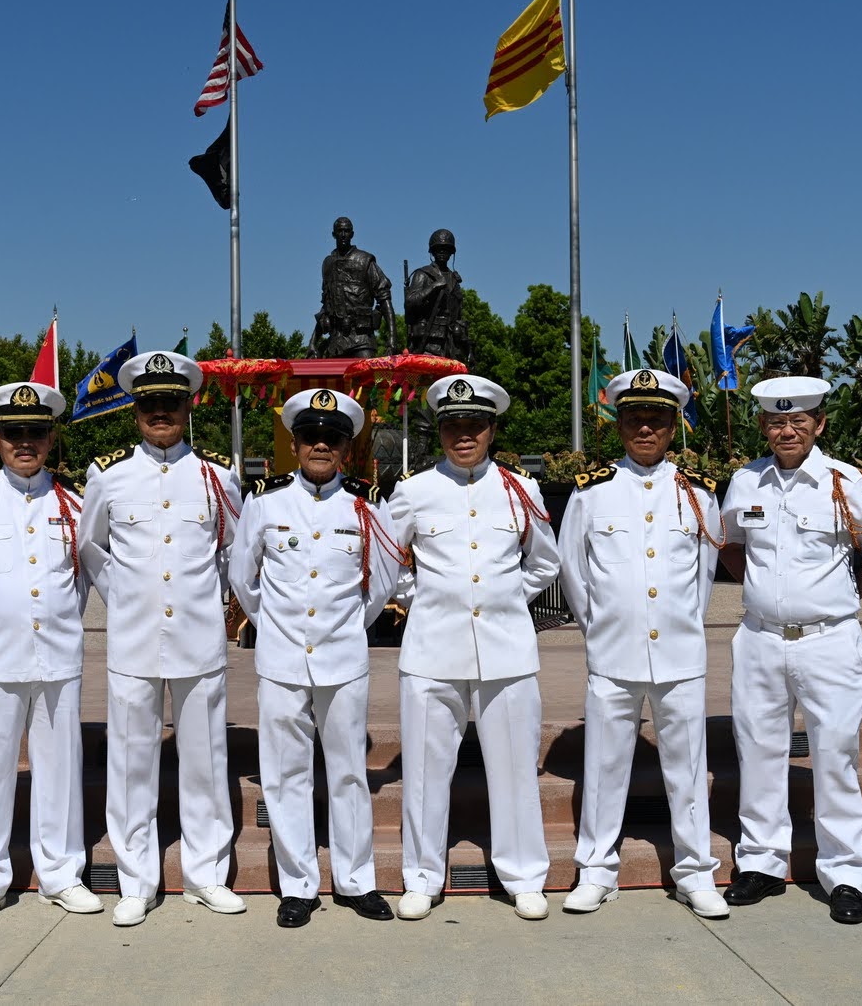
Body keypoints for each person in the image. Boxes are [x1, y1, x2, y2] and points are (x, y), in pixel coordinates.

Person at [718, 376, 862, 925]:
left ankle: (846, 873)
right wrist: (765, 595)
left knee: (835, 753)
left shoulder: (845, 482)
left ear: (819, 424)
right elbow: (731, 547)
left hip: (830, 640)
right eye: (776, 422)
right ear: (762, 426)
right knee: (758, 751)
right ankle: (761, 863)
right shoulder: (745, 481)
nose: (787, 431)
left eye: (798, 421)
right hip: (760, 639)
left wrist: (845, 597)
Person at [78, 351, 246, 928]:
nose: (160, 412)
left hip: (199, 640)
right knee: (130, 764)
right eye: (149, 402)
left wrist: (207, 601)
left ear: (187, 406)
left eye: (170, 402)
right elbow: (92, 547)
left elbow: (233, 551)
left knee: (206, 762)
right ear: (135, 409)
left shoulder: (218, 476)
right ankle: (136, 881)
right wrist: (125, 596)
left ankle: (206, 875)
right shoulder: (108, 476)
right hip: (134, 640)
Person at [556, 369, 728, 920]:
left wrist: (679, 624)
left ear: (674, 426)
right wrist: (600, 628)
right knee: (603, 768)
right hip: (613, 652)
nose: (645, 428)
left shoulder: (699, 492)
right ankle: (596, 871)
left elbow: (703, 577)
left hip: (679, 653)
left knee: (687, 768)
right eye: (634, 418)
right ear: (620, 425)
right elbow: (573, 571)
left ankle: (695, 872)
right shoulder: (592, 492)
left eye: (656, 419)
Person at [387, 374, 559, 921]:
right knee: (423, 771)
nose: (464, 435)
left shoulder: (521, 489)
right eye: (453, 426)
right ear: (440, 431)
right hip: (431, 650)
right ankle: (421, 876)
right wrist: (422, 598)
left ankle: (524, 876)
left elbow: (545, 562)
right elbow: (389, 562)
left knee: (515, 769)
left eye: (475, 425)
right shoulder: (414, 491)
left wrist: (506, 597)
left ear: (491, 429)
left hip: (506, 650)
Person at [230, 388, 402, 928]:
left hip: (343, 658)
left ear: (347, 448)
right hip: (281, 661)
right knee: (285, 776)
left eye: (332, 438)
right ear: (295, 444)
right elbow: (243, 576)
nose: (321, 445)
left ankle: (356, 880)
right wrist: (275, 628)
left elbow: (384, 580)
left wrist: (347, 625)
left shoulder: (367, 503)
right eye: (310, 437)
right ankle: (298, 885)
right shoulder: (264, 501)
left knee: (349, 772)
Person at [0, 381, 103, 927]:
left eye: (35, 432)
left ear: (50, 438)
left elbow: (81, 580)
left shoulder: (76, 502)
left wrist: (55, 622)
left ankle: (61, 875)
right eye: (13, 432)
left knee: (61, 769)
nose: (24, 442)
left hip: (58, 656)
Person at [308, 216, 395, 358]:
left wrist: (392, 339)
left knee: (367, 372)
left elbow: (384, 299)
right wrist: (313, 342)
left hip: (362, 341)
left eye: (347, 231)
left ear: (352, 234)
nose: (343, 235)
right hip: (336, 343)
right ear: (333, 234)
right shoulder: (328, 264)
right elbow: (326, 306)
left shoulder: (365, 260)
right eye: (340, 231)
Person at [403, 229, 471, 364]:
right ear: (432, 251)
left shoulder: (454, 279)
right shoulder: (423, 274)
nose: (442, 252)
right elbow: (409, 302)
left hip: (451, 344)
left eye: (446, 249)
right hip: (427, 343)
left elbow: (458, 316)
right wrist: (433, 287)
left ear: (451, 252)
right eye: (439, 248)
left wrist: (467, 349)